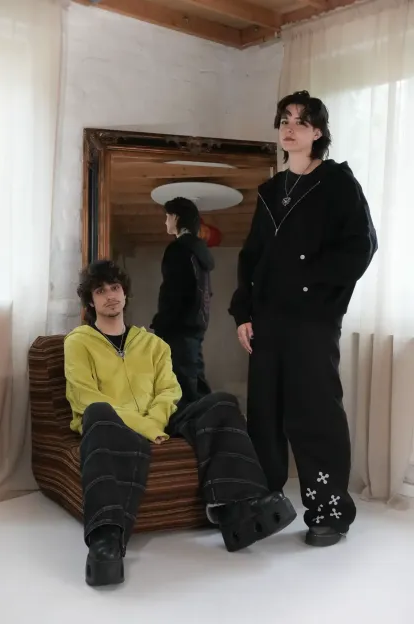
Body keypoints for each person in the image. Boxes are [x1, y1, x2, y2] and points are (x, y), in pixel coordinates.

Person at [65, 259, 296, 587]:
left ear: (125, 293)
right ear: (91, 301)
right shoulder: (78, 342)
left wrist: (155, 422)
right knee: (97, 412)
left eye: (115, 288)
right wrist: (146, 428)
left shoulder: (154, 344)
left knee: (222, 403)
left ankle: (238, 511)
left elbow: (169, 391)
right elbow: (85, 397)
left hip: (159, 419)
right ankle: (106, 540)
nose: (110, 296)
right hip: (110, 424)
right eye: (100, 291)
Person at [229, 90, 378, 548]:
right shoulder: (271, 191)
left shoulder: (337, 183)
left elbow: (361, 246)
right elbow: (251, 257)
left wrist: (312, 284)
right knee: (264, 416)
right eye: (284, 121)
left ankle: (328, 513)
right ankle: (264, 505)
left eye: (301, 121)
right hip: (267, 321)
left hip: (312, 321)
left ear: (318, 132)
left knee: (315, 414)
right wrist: (243, 312)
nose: (290, 128)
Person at [151, 197, 213, 405]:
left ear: (176, 218)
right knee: (196, 381)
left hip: (177, 327)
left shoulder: (178, 249)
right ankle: (208, 420)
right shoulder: (200, 252)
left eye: (167, 216)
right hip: (195, 325)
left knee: (181, 387)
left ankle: (194, 424)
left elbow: (173, 291)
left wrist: (161, 324)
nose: (165, 222)